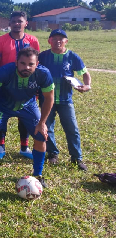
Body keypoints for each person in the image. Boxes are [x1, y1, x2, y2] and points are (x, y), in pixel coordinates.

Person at [0, 48, 54, 187]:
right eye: (23, 63)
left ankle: (38, 174)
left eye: (30, 64)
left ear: (37, 63)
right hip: (2, 105)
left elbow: (49, 98)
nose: (26, 67)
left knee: (41, 135)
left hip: (27, 105)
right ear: (16, 62)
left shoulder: (44, 73)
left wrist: (42, 122)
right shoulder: (5, 72)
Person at [38, 29, 91, 171]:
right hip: (46, 99)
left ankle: (76, 158)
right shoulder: (43, 56)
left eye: (61, 38)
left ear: (66, 41)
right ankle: (52, 154)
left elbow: (84, 73)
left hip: (65, 100)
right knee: (47, 128)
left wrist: (87, 85)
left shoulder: (72, 56)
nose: (58, 41)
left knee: (72, 129)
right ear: (49, 41)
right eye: (54, 38)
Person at [0, 11, 40, 159]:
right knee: (2, 118)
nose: (17, 24)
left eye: (20, 21)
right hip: (5, 87)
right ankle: (1, 147)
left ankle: (24, 148)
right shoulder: (0, 41)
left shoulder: (33, 40)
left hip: (26, 87)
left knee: (24, 117)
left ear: (26, 23)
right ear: (9, 23)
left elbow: (36, 64)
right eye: (14, 21)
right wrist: (0, 83)